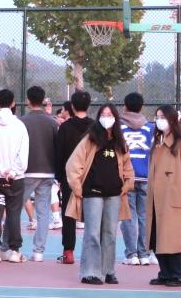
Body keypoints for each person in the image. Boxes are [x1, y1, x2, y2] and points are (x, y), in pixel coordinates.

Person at [64, 104, 134, 285]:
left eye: (109, 114)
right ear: (98, 117)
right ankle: (90, 272)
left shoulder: (120, 141)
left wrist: (127, 183)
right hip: (92, 193)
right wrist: (77, 187)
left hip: (114, 194)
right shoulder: (90, 139)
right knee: (92, 233)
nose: (106, 117)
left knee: (110, 233)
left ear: (115, 118)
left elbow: (127, 166)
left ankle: (108, 270)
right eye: (103, 114)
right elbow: (73, 164)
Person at [147, 106, 181, 287]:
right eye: (157, 117)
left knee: (173, 239)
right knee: (158, 236)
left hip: (172, 200)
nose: (159, 120)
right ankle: (166, 273)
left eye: (163, 117)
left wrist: (179, 194)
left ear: (172, 120)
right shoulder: (157, 142)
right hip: (156, 200)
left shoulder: (180, 144)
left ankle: (179, 275)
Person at [0, 89, 29, 263]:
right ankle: (15, 251)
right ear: (13, 103)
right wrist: (13, 171)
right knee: (14, 214)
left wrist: (0, 170)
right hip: (16, 178)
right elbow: (23, 153)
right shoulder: (20, 125)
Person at [20, 86, 59, 262]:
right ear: (43, 100)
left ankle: (11, 247)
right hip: (48, 172)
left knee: (14, 208)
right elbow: (57, 147)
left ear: (28, 100)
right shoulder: (52, 122)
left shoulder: (22, 122)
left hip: (27, 171)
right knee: (43, 212)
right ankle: (38, 252)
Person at [55, 91, 94, 265]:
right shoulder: (95, 127)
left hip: (69, 177)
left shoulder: (65, 128)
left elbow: (59, 153)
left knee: (68, 214)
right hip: (91, 176)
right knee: (93, 214)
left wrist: (59, 176)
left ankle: (68, 252)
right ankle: (92, 252)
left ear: (71, 106)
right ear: (89, 105)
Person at [119, 92, 154, 266]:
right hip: (146, 176)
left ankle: (131, 254)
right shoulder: (150, 128)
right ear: (141, 108)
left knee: (128, 216)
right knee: (144, 216)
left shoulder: (119, 127)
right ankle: (144, 253)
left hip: (127, 177)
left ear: (125, 106)